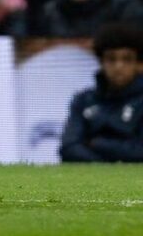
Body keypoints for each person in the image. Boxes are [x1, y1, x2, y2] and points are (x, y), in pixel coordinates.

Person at [60, 23, 143, 162]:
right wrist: (104, 165)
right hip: (91, 174)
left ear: (138, 64)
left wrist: (98, 144)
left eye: (127, 59)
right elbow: (68, 147)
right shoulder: (83, 100)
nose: (118, 66)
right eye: (111, 59)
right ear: (101, 62)